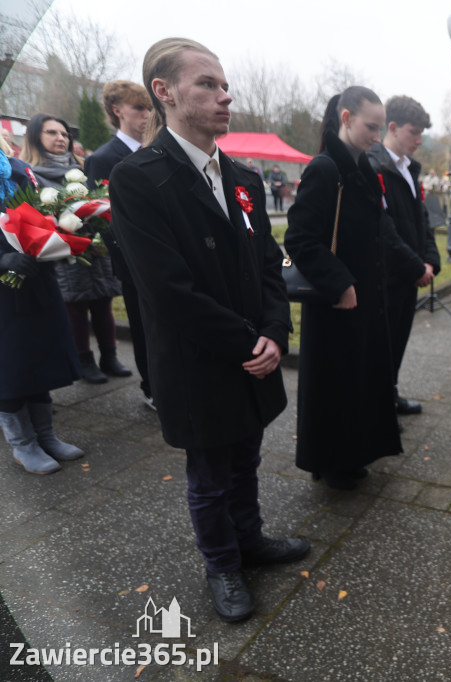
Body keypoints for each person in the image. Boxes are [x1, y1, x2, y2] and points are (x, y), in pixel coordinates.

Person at [110, 38, 309, 623]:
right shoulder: (138, 178)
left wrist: (276, 329)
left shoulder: (243, 176)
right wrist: (249, 342)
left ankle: (249, 539)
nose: (225, 96)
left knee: (246, 455)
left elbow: (269, 262)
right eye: (207, 84)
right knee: (210, 473)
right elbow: (167, 290)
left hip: (254, 350)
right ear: (164, 91)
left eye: (224, 85)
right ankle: (222, 563)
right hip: (199, 358)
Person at [285, 86, 408, 492]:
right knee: (336, 384)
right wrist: (339, 283)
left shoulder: (363, 168)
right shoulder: (325, 169)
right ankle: (331, 460)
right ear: (345, 118)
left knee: (359, 380)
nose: (377, 135)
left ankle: (353, 453)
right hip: (336, 302)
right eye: (370, 127)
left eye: (379, 127)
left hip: (365, 299)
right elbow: (300, 238)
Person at [21, 113, 130, 384]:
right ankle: (84, 360)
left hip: (95, 246)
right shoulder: (30, 173)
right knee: (76, 307)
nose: (61, 138)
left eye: (64, 134)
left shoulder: (83, 167)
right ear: (35, 137)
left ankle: (110, 356)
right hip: (63, 251)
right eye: (52, 133)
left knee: (103, 302)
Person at [0, 134, 85, 475]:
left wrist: (58, 240)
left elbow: (43, 213)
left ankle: (45, 435)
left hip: (35, 281)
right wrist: (2, 261)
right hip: (3, 293)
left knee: (37, 361)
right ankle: (23, 444)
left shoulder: (18, 169)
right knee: (9, 370)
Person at [367, 94, 441, 419]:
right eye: (414, 132)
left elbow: (422, 220)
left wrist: (430, 261)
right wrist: (415, 266)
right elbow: (383, 229)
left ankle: (390, 394)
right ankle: (379, 407)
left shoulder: (408, 169)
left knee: (397, 342)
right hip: (386, 276)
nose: (419, 140)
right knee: (381, 347)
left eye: (422, 133)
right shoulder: (374, 166)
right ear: (393, 128)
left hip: (408, 275)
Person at [85, 80, 156, 408]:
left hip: (165, 253)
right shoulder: (103, 158)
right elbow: (100, 215)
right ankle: (152, 388)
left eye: (149, 108)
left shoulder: (157, 150)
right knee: (142, 325)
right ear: (118, 111)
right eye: (139, 108)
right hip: (132, 260)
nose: (147, 115)